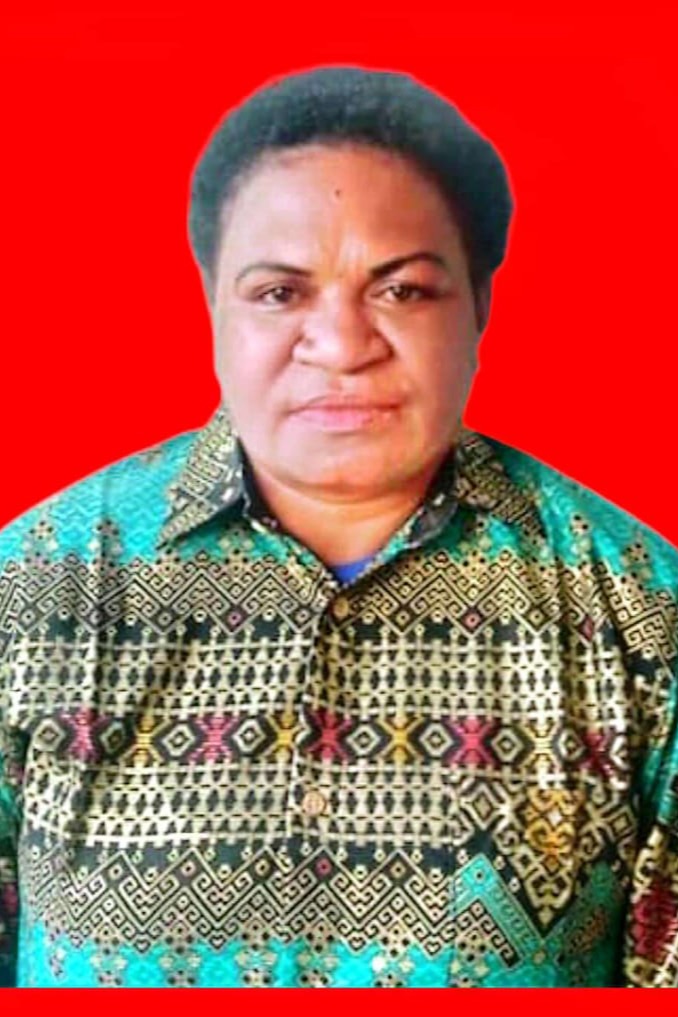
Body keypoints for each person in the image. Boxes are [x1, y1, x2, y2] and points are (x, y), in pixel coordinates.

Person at [1, 65, 676, 989]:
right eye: (280, 293)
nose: (344, 345)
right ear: (213, 306)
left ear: (480, 307)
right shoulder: (36, 587)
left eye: (404, 291)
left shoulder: (642, 614)